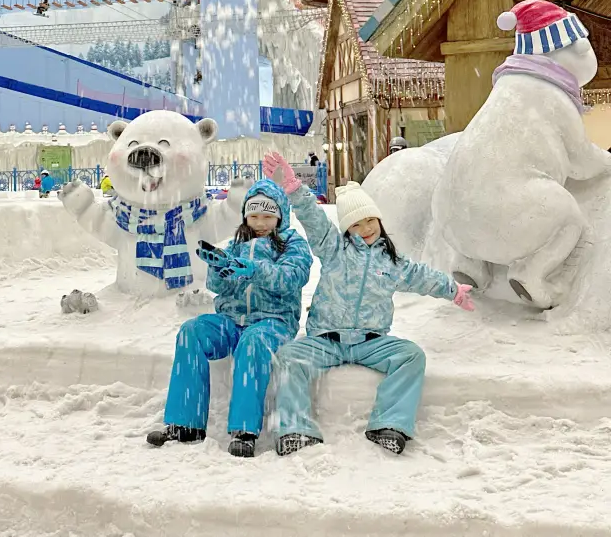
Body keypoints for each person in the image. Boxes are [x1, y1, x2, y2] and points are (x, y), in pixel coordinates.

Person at [262, 152, 474, 458]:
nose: (367, 228)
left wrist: (452, 290)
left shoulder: (391, 262)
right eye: (357, 223)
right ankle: (296, 428)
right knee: (288, 357)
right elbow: (313, 217)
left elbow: (420, 276)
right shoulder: (333, 248)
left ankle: (389, 423)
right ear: (348, 228)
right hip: (326, 340)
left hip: (371, 342)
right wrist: (294, 188)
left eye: (371, 220)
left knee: (411, 356)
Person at [146, 179, 312, 458]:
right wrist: (220, 269)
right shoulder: (237, 244)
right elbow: (217, 287)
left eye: (268, 216)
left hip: (272, 322)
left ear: (280, 216)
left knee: (253, 341)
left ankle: (245, 430)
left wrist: (252, 269)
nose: (260, 222)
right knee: (191, 331)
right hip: (231, 321)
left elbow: (292, 278)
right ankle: (185, 423)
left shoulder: (292, 244)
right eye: (254, 215)